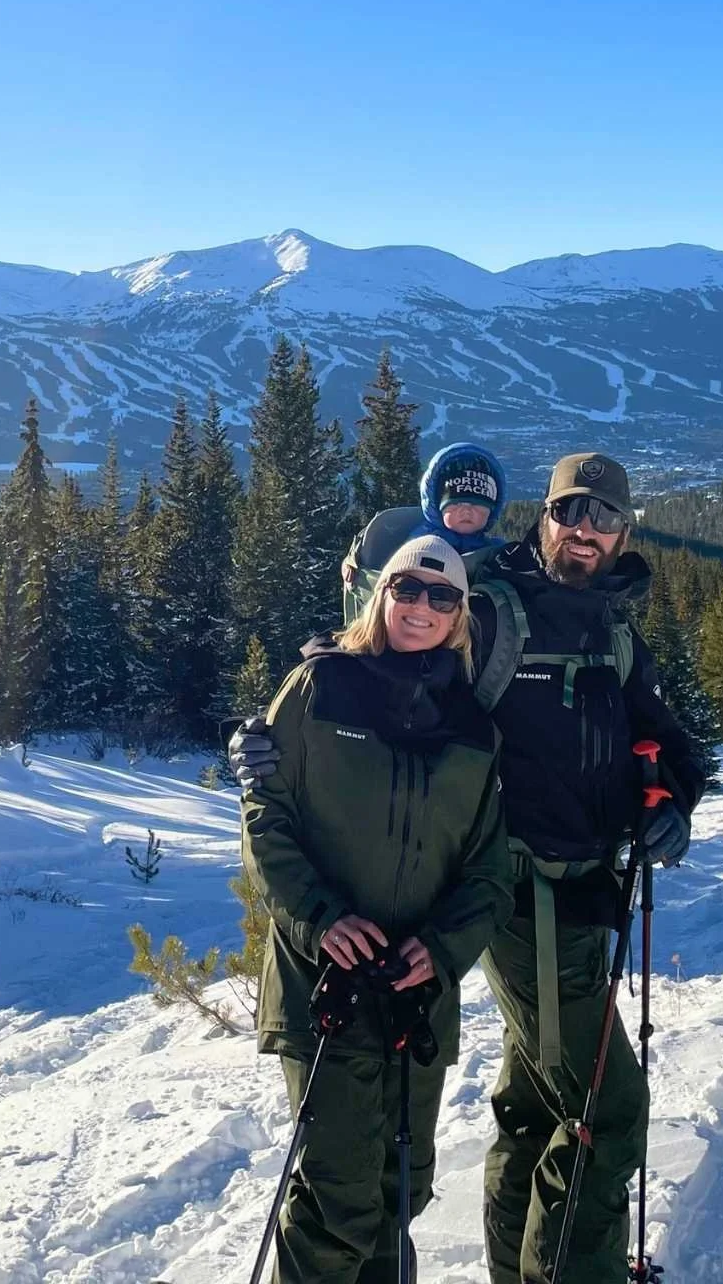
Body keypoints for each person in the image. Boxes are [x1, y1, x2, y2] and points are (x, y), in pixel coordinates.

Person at [238, 453, 711, 1284]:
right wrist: (277, 734)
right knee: (607, 1109)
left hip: (574, 894)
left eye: (604, 518)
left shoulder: (613, 628)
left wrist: (668, 797)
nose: (586, 531)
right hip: (517, 899)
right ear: (544, 518)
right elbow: (390, 662)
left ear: (625, 531)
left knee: (531, 1113)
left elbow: (665, 740)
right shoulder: (494, 609)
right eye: (571, 511)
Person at [241, 534, 512, 1284]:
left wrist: (445, 948)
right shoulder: (320, 688)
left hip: (416, 997)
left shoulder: (474, 730)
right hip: (326, 987)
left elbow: (488, 871)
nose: (421, 606)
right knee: (338, 1203)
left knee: (399, 1192)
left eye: (442, 595)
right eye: (406, 588)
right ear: (379, 593)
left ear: (459, 615)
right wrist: (323, 919)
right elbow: (267, 822)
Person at [342, 442, 509, 622]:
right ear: (436, 505)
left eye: (478, 505)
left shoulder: (496, 549)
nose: (467, 511)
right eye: (457, 503)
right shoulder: (424, 543)